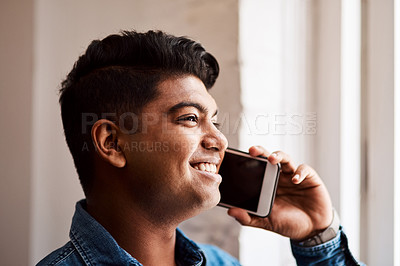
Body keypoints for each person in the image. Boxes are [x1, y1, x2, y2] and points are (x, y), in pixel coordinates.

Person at [37, 30, 361, 265]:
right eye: (191, 118)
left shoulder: (223, 264)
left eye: (215, 122)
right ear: (113, 143)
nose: (219, 140)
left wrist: (317, 236)